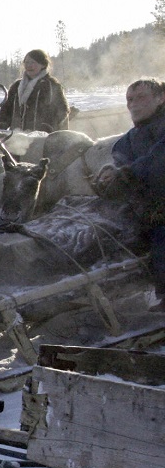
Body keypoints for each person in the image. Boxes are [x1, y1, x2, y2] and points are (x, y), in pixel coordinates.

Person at [94, 78, 165, 310]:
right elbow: (119, 165)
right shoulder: (127, 140)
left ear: (160, 98)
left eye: (141, 98)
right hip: (144, 209)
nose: (134, 104)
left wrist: (125, 173)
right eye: (129, 100)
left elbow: (157, 162)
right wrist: (107, 179)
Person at [0, 49, 70, 133]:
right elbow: (6, 109)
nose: (29, 66)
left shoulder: (51, 85)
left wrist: (47, 127)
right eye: (26, 63)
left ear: (42, 65)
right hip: (17, 138)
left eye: (33, 63)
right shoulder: (16, 86)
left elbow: (62, 110)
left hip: (43, 138)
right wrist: (1, 126)